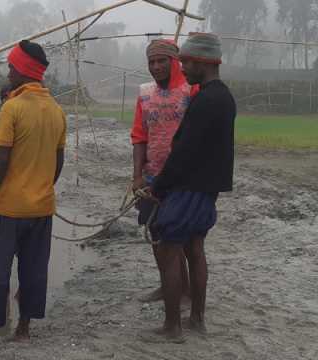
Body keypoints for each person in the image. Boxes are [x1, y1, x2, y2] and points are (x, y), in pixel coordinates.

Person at [0, 40, 66, 347]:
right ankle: (23, 329)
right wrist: (42, 187)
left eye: (12, 67)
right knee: (34, 270)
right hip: (42, 208)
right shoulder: (56, 110)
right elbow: (58, 160)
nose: (9, 72)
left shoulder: (12, 107)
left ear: (24, 70)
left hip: (10, 209)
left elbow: (0, 158)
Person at [142, 33, 235, 343]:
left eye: (185, 61)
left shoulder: (204, 100)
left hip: (187, 188)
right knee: (195, 250)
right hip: (207, 189)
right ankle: (196, 319)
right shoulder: (223, 97)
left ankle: (172, 327)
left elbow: (183, 151)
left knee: (169, 251)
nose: (183, 67)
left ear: (201, 62)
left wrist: (160, 185)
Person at [130, 39, 198, 303]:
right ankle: (168, 286)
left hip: (183, 179)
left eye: (162, 61)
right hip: (151, 179)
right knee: (157, 234)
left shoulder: (191, 91)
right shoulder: (145, 94)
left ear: (175, 62)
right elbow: (139, 136)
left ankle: (187, 290)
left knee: (183, 239)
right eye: (151, 62)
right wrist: (137, 176)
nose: (156, 67)